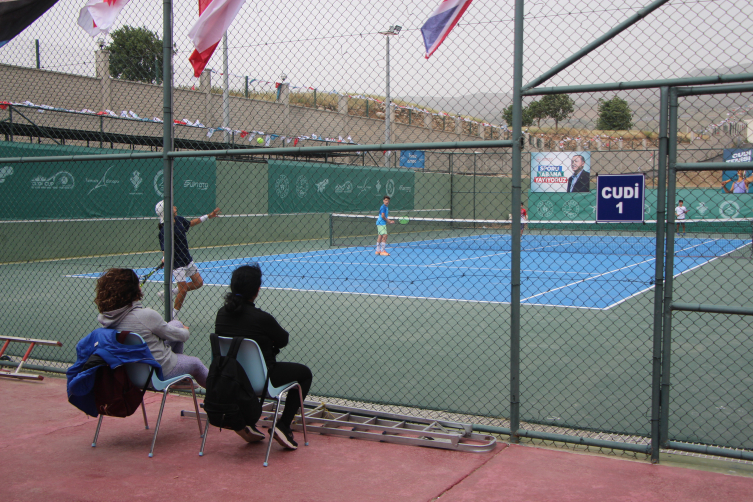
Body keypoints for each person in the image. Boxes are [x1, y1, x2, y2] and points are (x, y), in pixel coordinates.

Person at [215, 264, 313, 450]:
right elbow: (283, 339)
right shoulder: (261, 318)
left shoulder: (222, 315)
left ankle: (245, 421)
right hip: (261, 379)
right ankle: (283, 425)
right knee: (304, 374)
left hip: (230, 378)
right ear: (257, 291)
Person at [94, 268, 208, 388]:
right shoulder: (146, 316)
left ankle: (178, 380)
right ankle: (220, 396)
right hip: (155, 372)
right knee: (196, 363)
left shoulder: (105, 319)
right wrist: (185, 330)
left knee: (176, 324)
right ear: (133, 290)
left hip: (127, 373)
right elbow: (181, 336)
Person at [155, 201, 221, 319]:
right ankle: (172, 317)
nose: (175, 206)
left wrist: (208, 216)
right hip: (177, 263)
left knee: (198, 283)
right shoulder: (165, 230)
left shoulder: (179, 219)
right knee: (183, 290)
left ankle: (168, 293)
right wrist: (164, 259)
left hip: (187, 259)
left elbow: (191, 223)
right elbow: (165, 249)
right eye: (172, 206)